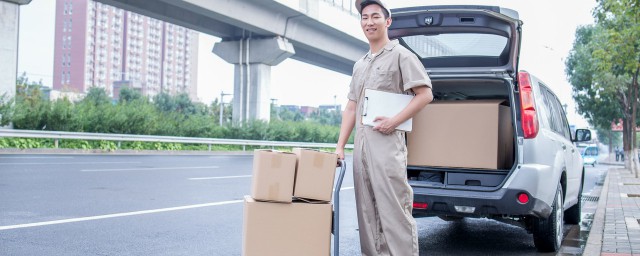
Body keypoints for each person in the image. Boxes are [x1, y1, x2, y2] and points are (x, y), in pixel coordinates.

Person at [335, 1, 433, 255]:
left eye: (375, 16)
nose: (369, 22)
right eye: (364, 17)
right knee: (366, 213)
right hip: (362, 149)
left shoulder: (402, 56)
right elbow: (351, 108)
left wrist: (394, 121)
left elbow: (425, 94)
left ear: (387, 21)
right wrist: (339, 146)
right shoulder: (360, 64)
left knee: (394, 213)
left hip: (387, 149)